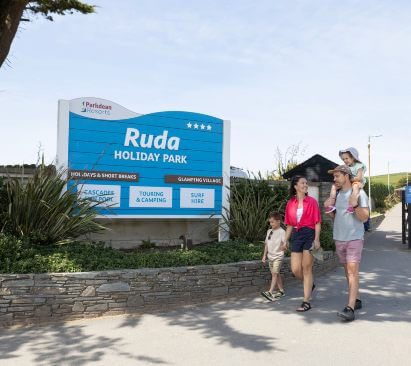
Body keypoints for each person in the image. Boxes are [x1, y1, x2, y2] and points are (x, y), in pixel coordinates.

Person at [324, 165, 369, 322]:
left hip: (354, 238)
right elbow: (335, 216)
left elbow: (364, 217)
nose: (334, 179)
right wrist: (331, 211)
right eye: (334, 176)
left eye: (337, 176)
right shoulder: (337, 195)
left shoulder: (360, 193)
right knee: (347, 272)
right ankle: (355, 299)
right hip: (339, 238)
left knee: (352, 271)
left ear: (346, 176)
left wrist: (354, 204)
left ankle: (350, 309)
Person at [283, 175, 322, 312]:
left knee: (306, 268)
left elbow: (317, 222)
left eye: (306, 183)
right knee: (295, 269)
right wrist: (285, 240)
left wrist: (316, 239)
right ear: (295, 186)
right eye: (303, 183)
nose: (306, 185)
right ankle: (309, 283)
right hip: (296, 235)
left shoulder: (312, 202)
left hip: (309, 234)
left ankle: (306, 301)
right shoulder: (290, 204)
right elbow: (289, 225)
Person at [326, 147, 367, 214]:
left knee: (355, 187)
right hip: (349, 182)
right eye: (343, 159)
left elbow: (359, 177)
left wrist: (350, 179)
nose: (345, 160)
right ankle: (331, 204)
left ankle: (351, 204)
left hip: (357, 182)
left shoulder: (359, 165)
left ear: (353, 157)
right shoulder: (346, 167)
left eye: (346, 158)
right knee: (334, 187)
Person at [261, 212, 286, 301]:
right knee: (276, 274)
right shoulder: (269, 231)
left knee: (274, 273)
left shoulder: (282, 232)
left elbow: (286, 243)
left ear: (278, 221)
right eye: (270, 222)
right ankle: (281, 291)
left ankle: (270, 292)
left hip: (278, 257)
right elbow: (266, 244)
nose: (271, 224)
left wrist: (284, 246)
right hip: (270, 256)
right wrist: (264, 256)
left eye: (272, 222)